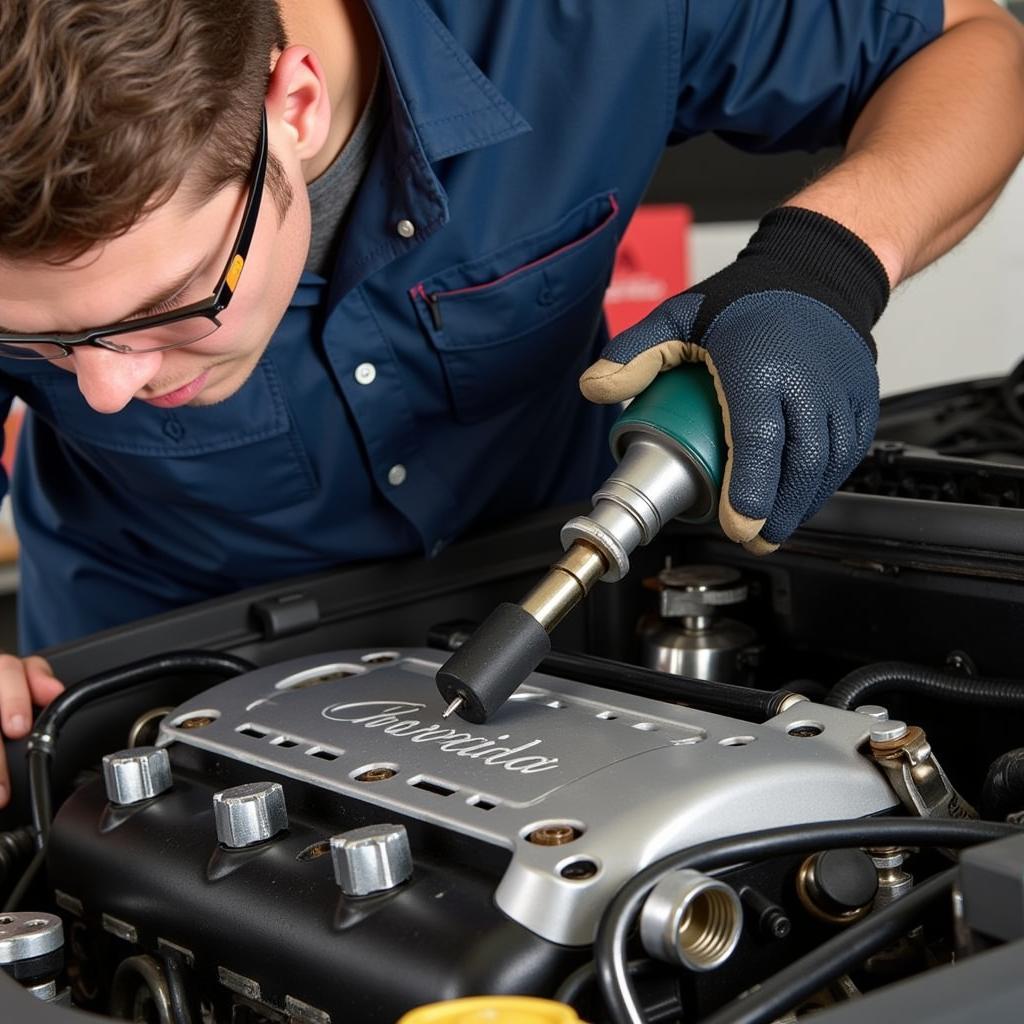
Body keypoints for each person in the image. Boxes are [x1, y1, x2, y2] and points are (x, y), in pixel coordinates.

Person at [0, 0, 1020, 808]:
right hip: (151, 681)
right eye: (40, 337)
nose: (103, 386)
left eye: (171, 307)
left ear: (294, 105)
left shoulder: (572, 17)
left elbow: (974, 45)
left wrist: (819, 266)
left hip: (574, 617)